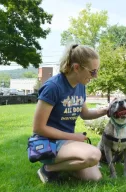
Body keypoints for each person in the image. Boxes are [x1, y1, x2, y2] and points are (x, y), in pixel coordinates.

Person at [32, 44, 108, 183]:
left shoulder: (80, 86)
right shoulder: (53, 87)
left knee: (95, 178)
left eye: (96, 71)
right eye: (92, 72)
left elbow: (84, 114)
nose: (95, 76)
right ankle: (48, 169)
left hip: (66, 143)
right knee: (93, 155)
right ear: (76, 67)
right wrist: (73, 136)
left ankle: (60, 166)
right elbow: (38, 128)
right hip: (44, 144)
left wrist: (105, 111)